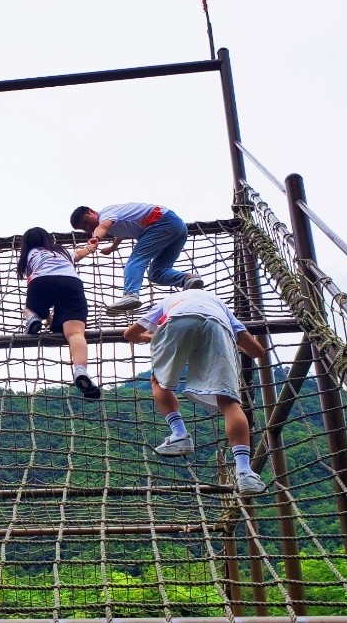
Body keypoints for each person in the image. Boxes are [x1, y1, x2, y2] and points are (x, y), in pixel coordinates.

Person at [123, 289, 267, 494]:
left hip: (177, 322)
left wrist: (151, 337)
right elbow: (256, 351)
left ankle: (179, 433)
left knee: (159, 381)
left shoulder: (170, 300)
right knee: (229, 402)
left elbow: (130, 334)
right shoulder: (219, 304)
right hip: (217, 328)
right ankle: (244, 472)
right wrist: (232, 344)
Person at [70, 202, 203, 314]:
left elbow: (103, 226)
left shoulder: (106, 214)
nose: (88, 227)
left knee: (136, 261)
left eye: (86, 221)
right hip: (178, 228)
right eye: (83, 228)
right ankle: (188, 279)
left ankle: (130, 294)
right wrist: (113, 247)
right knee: (157, 273)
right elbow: (120, 232)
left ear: (91, 211)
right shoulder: (111, 221)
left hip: (161, 222)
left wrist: (96, 238)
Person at [16, 226, 101, 400]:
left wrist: (45, 319)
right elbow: (79, 254)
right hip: (71, 283)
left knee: (29, 309)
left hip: (41, 281)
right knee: (76, 333)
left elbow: (44, 298)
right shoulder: (60, 251)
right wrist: (91, 247)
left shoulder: (29, 256)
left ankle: (32, 319)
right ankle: (80, 371)